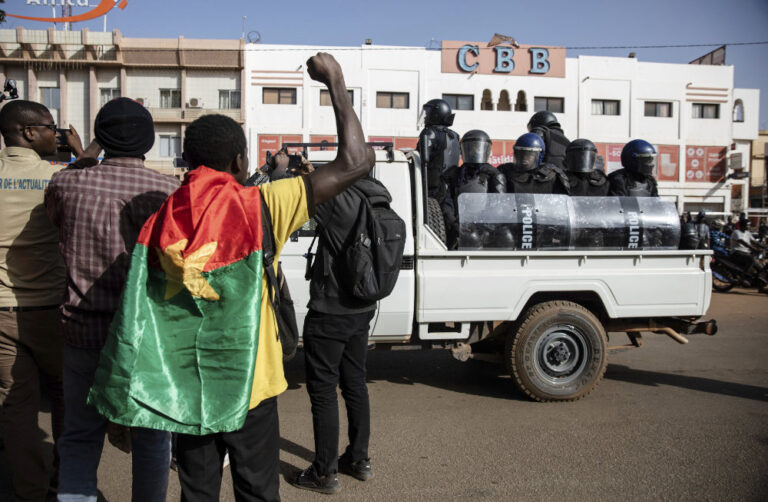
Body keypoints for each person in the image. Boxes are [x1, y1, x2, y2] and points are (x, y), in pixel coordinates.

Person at [86, 53, 374, 501]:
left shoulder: (160, 218)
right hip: (251, 383)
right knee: (257, 489)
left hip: (185, 386)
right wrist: (334, 81)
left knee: (197, 490)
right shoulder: (263, 205)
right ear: (240, 161)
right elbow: (356, 162)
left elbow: (139, 314)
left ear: (186, 159)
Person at [45, 97, 180, 502]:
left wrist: (88, 151)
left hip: (81, 329)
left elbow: (55, 217)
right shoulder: (169, 191)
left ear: (100, 138)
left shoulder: (67, 183)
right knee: (152, 438)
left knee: (81, 435)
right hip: (145, 339)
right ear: (151, 140)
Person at [0, 100, 80, 501]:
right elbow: (93, 193)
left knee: (16, 405)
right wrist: (81, 153)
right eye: (51, 127)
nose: (57, 133)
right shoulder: (59, 179)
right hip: (48, 309)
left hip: (1, 312)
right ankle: (63, 481)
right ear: (29, 132)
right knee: (65, 395)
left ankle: (28, 490)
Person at [292, 174, 391, 494]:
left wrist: (295, 170)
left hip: (330, 312)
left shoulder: (341, 201)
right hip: (363, 308)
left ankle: (324, 473)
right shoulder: (378, 198)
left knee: (323, 394)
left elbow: (305, 193)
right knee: (355, 383)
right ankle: (359, 460)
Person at [417, 99, 461, 244]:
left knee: (431, 226)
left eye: (428, 112)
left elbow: (423, 160)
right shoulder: (455, 135)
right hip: (449, 186)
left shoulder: (429, 133)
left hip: (430, 188)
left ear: (436, 114)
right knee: (449, 219)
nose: (425, 116)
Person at [499, 132, 569, 195]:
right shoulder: (505, 172)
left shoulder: (552, 176)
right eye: (520, 154)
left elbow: (562, 203)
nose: (524, 158)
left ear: (539, 155)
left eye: (529, 155)